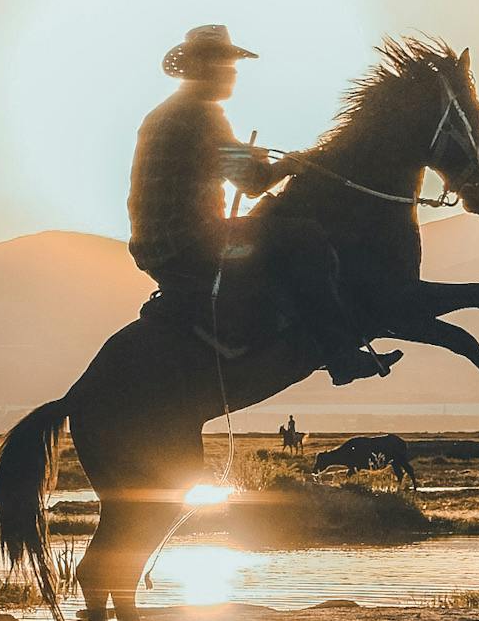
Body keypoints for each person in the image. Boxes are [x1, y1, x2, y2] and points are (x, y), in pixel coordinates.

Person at [127, 24, 396, 385]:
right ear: (205, 68)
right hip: (194, 241)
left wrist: (246, 156)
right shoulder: (204, 114)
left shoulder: (165, 114)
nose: (232, 74)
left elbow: (210, 162)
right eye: (226, 65)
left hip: (157, 246)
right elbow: (254, 182)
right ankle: (340, 353)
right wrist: (292, 163)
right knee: (305, 236)